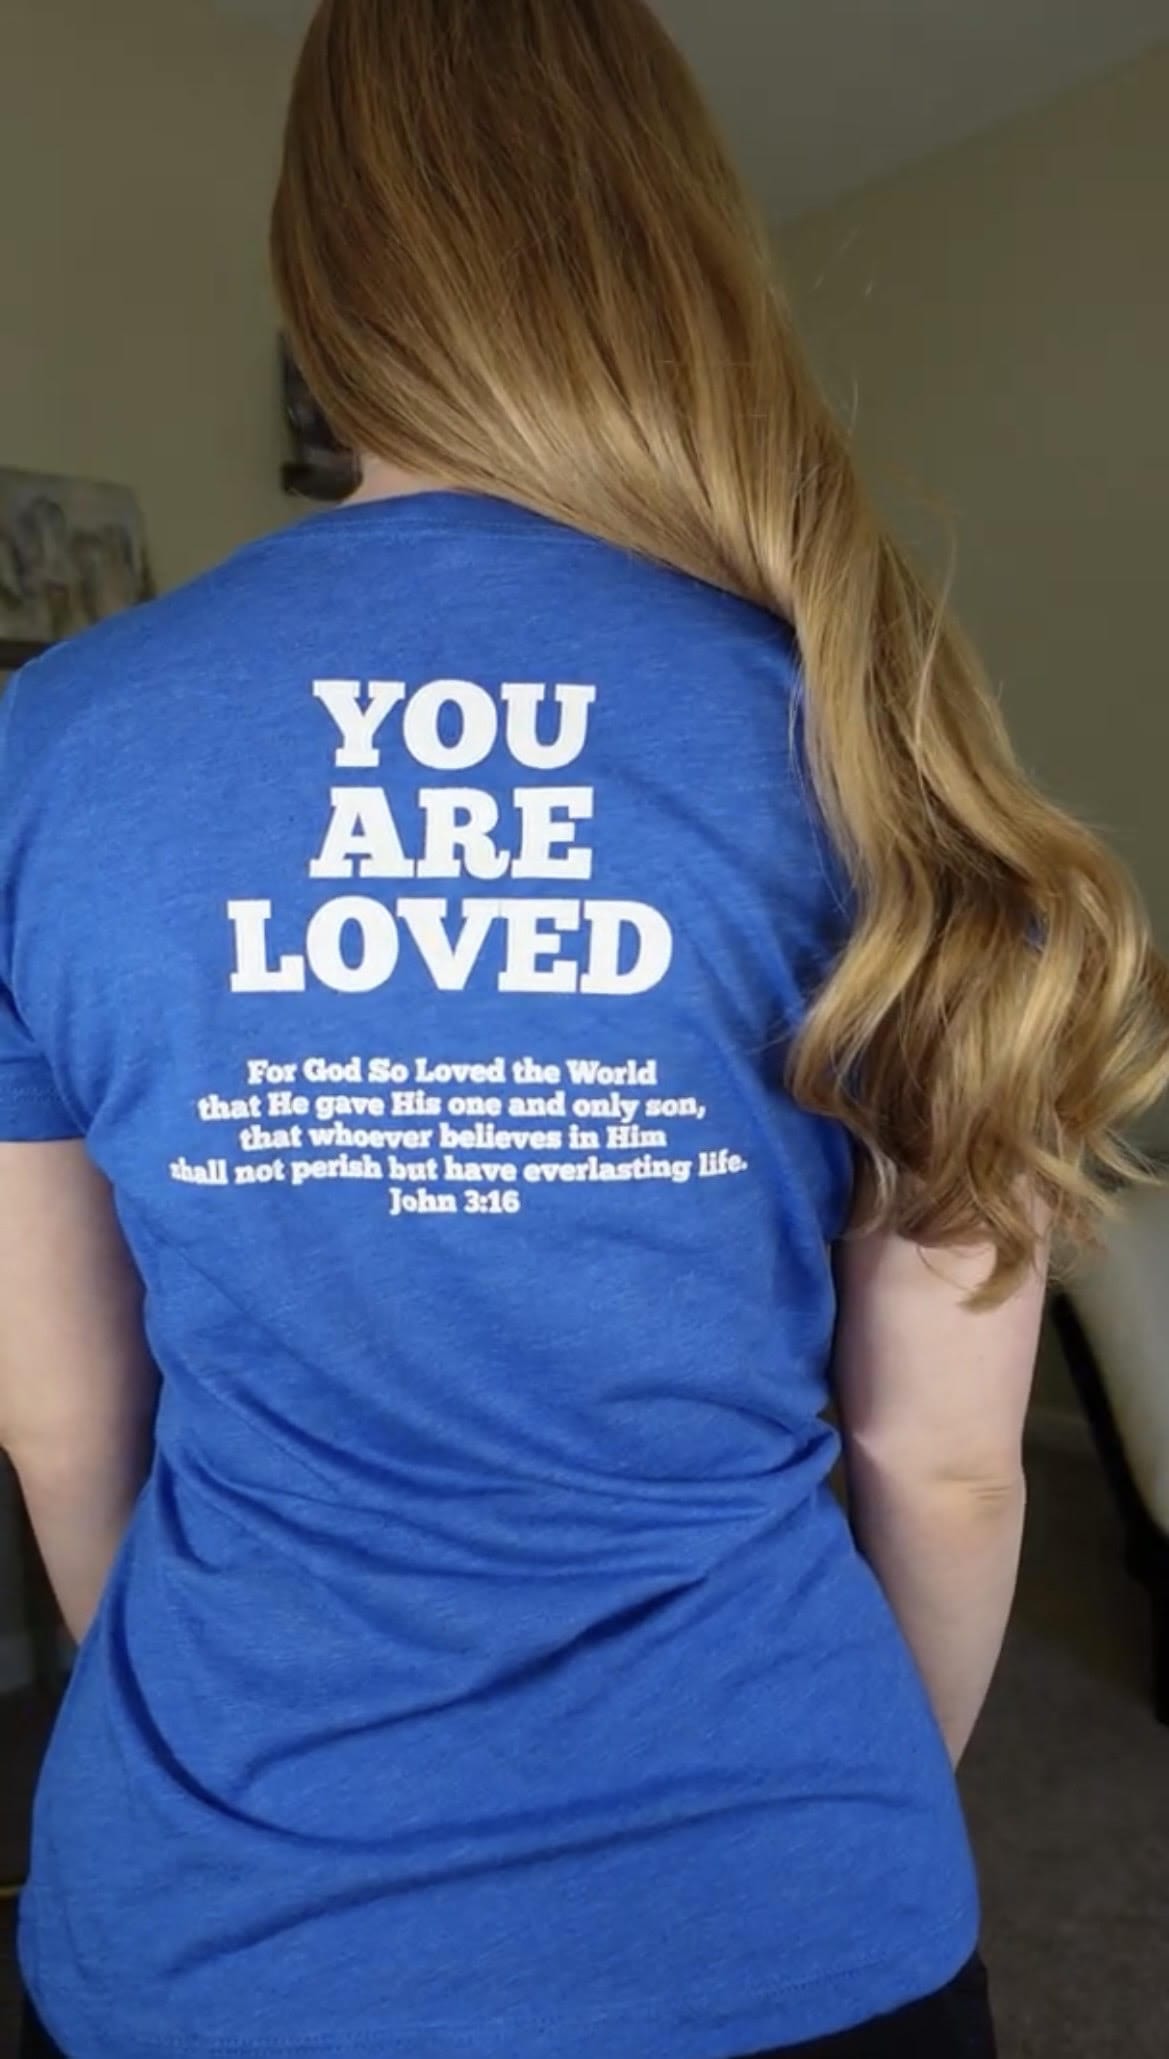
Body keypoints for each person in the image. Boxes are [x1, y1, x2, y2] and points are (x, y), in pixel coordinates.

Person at [4, 3, 1167, 2055]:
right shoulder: (865, 728)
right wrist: (834, 1810)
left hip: (218, 1934)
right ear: (672, 229)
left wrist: (200, 1754)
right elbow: (948, 1461)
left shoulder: (53, 743)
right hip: (794, 1905)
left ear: (319, 263)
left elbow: (60, 1419)